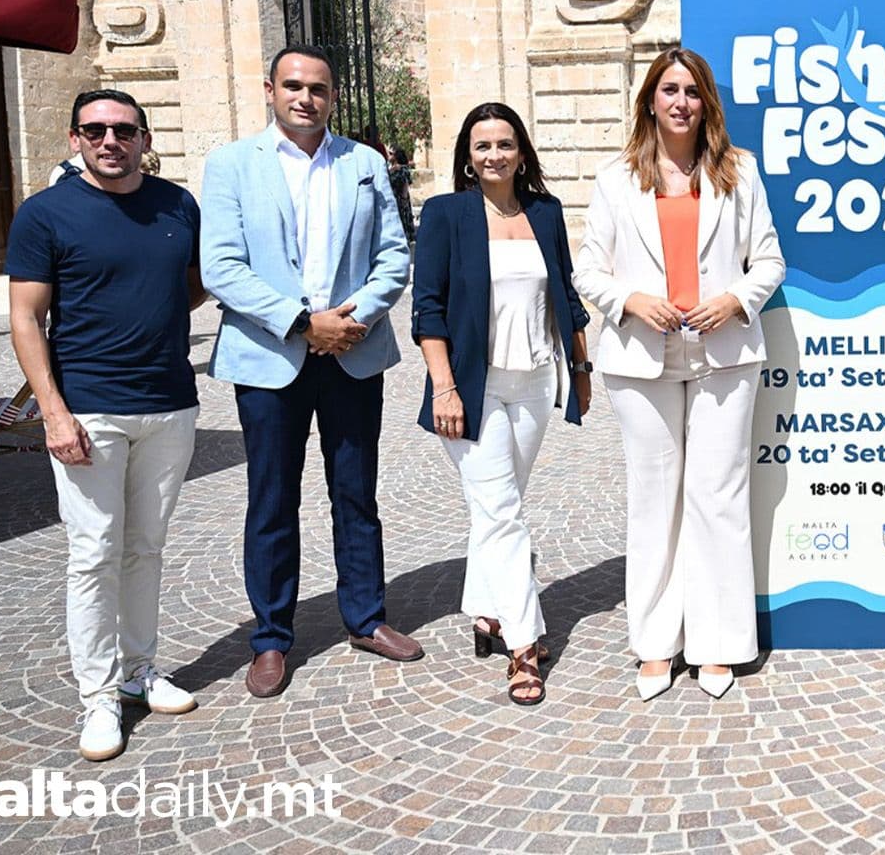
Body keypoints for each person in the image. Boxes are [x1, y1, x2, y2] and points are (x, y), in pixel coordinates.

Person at [199, 45, 417, 699]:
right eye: (292, 85)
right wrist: (301, 322)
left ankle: (366, 617)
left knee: (355, 494)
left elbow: (394, 257)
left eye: (318, 88)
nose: (305, 98)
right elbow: (222, 267)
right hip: (270, 359)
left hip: (352, 353)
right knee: (272, 500)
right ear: (269, 89)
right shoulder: (233, 165)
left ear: (332, 96)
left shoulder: (365, 164)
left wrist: (353, 319)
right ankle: (270, 639)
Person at [572, 46, 784, 701]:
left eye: (692, 91)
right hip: (642, 359)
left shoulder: (738, 173)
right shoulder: (615, 179)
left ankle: (718, 643)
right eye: (669, 90)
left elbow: (769, 261)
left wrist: (736, 300)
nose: (681, 102)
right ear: (650, 101)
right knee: (654, 502)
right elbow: (589, 270)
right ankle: (657, 643)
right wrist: (630, 302)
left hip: (724, 355)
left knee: (717, 499)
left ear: (707, 102)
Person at [4, 88, 206, 760]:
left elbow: (194, 283)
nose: (109, 140)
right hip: (89, 409)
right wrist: (53, 412)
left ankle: (140, 671)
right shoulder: (45, 214)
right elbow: (26, 318)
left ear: (145, 138)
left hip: (171, 404)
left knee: (145, 548)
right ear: (74, 139)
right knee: (93, 555)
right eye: (95, 130)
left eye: (123, 129)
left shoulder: (178, 204)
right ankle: (98, 699)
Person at [411, 102, 592, 707]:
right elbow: (427, 308)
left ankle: (484, 610)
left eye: (505, 144)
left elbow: (565, 291)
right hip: (472, 385)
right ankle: (523, 642)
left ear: (522, 152)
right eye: (483, 145)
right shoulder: (446, 214)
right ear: (468, 154)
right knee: (502, 512)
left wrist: (581, 366)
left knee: (498, 507)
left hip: (537, 381)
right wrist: (444, 386)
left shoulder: (545, 211)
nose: (494, 155)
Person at [387, 146, 416, 240]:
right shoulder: (390, 169)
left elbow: (405, 185)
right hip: (393, 198)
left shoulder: (402, 169)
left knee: (402, 220)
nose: (389, 155)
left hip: (400, 199)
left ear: (396, 156)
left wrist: (403, 199)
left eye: (391, 153)